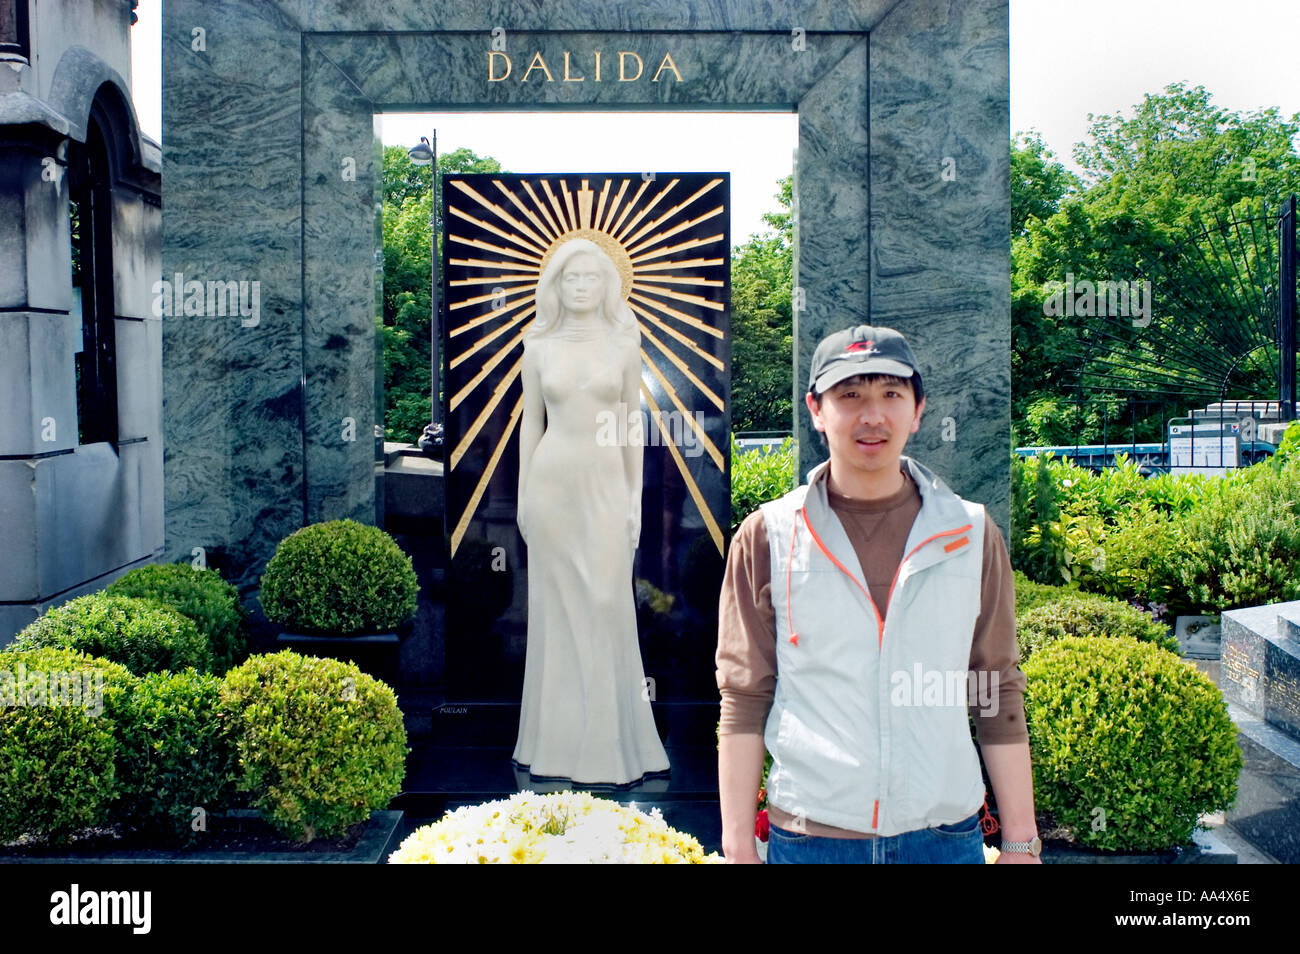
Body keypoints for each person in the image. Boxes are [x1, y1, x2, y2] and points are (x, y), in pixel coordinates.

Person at [716, 324, 1041, 863]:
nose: (872, 415)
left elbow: (996, 689)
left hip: (943, 840)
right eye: (850, 395)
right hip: (809, 842)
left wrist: (1022, 842)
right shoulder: (768, 536)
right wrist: (737, 846)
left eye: (891, 394)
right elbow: (744, 697)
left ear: (918, 410)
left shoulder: (970, 533)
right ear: (817, 410)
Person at [513, 237, 670, 785]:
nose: (581, 287)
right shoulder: (537, 347)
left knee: (605, 603)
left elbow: (631, 425)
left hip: (606, 486)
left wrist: (635, 498)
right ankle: (552, 744)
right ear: (556, 284)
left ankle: (613, 744)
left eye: (591, 278)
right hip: (552, 486)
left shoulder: (625, 344)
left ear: (608, 284)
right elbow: (531, 425)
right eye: (571, 278)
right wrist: (522, 497)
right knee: (557, 612)